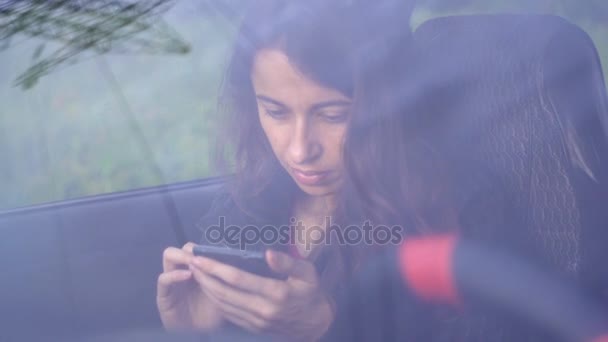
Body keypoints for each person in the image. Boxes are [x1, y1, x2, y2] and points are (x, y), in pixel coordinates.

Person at [155, 0, 430, 341]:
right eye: (276, 112)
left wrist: (329, 329)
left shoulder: (439, 217)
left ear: (387, 106)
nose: (300, 150)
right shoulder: (246, 204)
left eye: (333, 115)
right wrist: (192, 335)